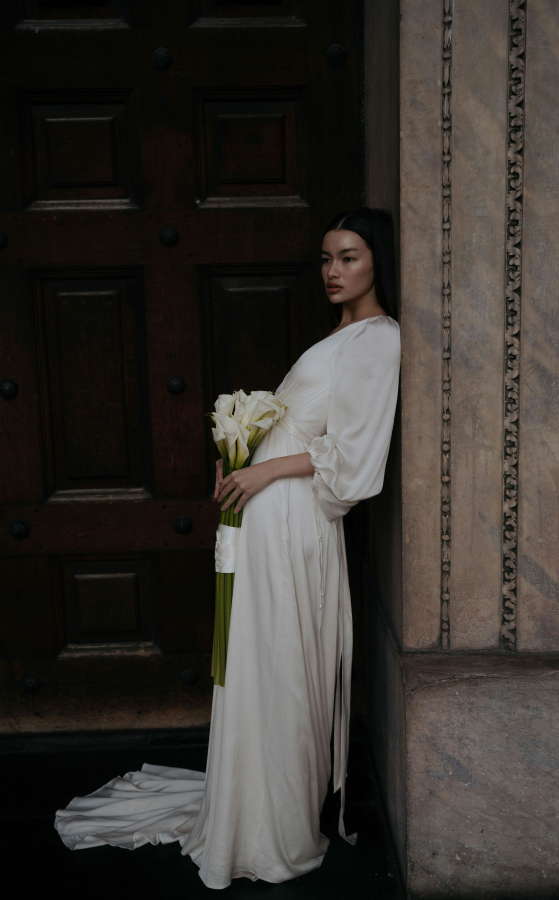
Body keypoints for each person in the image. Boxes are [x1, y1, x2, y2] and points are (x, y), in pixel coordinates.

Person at [55, 207, 401, 889]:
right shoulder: (343, 334)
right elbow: (301, 428)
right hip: (265, 514)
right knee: (260, 658)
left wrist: (266, 470)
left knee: (281, 661)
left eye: (349, 257)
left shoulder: (380, 340)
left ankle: (277, 823)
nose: (333, 271)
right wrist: (241, 456)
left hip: (293, 518)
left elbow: (358, 460)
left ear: (376, 262)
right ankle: (251, 801)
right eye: (326, 258)